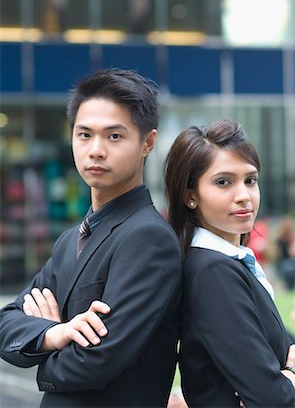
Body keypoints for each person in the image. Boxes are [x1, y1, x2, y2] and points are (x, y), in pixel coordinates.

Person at [0, 68, 182, 407]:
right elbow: (6, 320)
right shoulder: (70, 240)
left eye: (114, 136)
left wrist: (42, 361)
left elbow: (97, 361)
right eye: (84, 135)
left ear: (148, 142)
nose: (95, 150)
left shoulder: (148, 238)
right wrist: (54, 334)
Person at [164, 119, 295, 407]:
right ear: (190, 196)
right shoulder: (212, 271)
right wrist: (294, 374)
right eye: (223, 182)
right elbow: (273, 397)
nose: (244, 196)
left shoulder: (230, 262)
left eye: (250, 180)